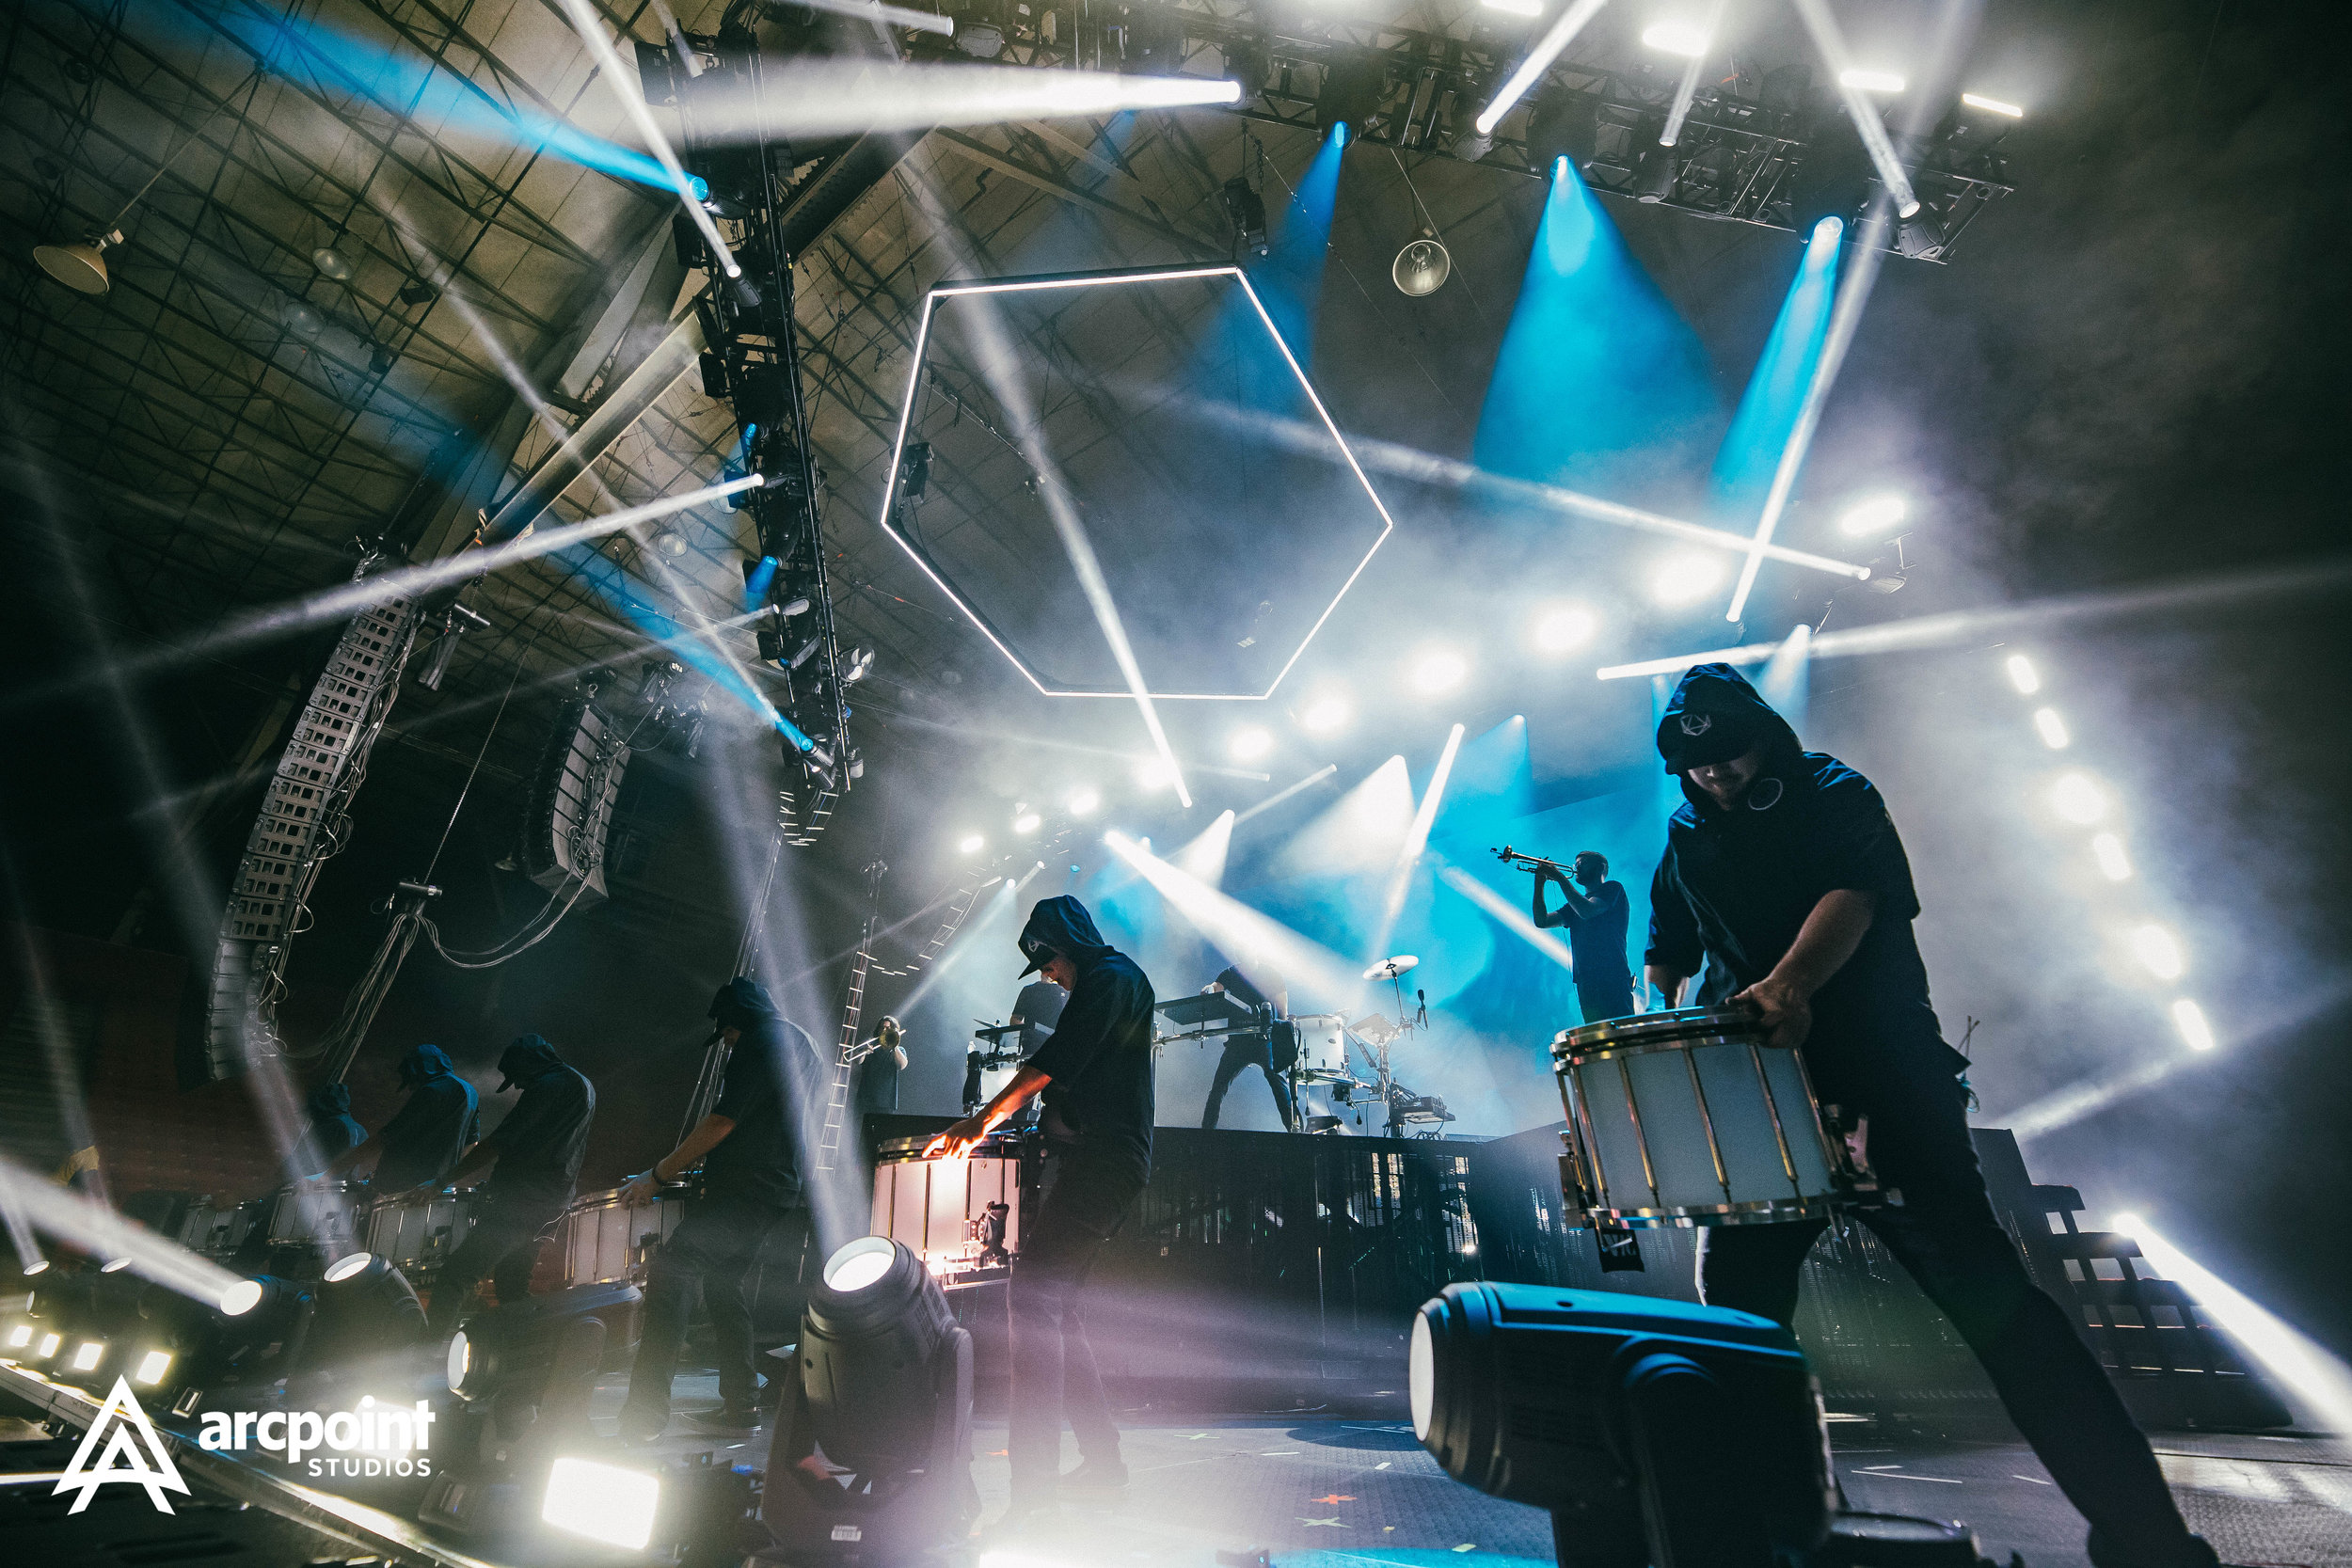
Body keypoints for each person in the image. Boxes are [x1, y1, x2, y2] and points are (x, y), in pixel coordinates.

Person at [1642, 663, 2225, 1568]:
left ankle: (2150, 1542)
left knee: (1993, 1305)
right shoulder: (1684, 831)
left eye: (1730, 756)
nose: (1715, 775)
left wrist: (1791, 985)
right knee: (1741, 1319)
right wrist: (1662, 1023)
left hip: (1880, 1081)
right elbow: (1669, 948)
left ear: (1765, 738)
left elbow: (1856, 895)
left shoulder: (1835, 791)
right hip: (1762, 1101)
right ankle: (1791, 1528)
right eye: (1697, 764)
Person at [928, 896, 1154, 1517]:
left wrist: (978, 1122)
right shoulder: (1116, 980)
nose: (1048, 976)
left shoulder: (1109, 979)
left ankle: (1032, 1492)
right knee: (1058, 1308)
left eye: (1049, 963)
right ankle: (1102, 1464)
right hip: (1104, 1160)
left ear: (1067, 945)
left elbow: (1052, 1065)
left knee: (1030, 1298)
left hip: (1106, 1161)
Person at [618, 978, 818, 1440]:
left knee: (673, 1270)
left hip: (748, 1188)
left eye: (726, 1034)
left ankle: (645, 1414)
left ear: (737, 1020)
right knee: (725, 1284)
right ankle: (742, 1405)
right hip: (778, 1188)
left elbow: (723, 1120)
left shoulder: (760, 1039)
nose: (726, 1044)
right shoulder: (802, 1041)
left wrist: (658, 1175)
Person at [421, 1034, 596, 1338]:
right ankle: (531, 1354)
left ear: (531, 1063)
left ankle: (426, 1356)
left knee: (457, 1273)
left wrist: (441, 1182)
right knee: (513, 1286)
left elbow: (500, 1141)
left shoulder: (547, 1086)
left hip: (519, 1202)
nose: (517, 1086)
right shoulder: (584, 1084)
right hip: (552, 1202)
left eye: (518, 1077)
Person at [326, 1044, 479, 1193]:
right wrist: (445, 1179)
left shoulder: (431, 1091)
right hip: (435, 1189)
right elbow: (471, 1144)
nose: (411, 1088)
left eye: (412, 1080)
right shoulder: (471, 1092)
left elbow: (385, 1137)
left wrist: (331, 1172)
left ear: (421, 1069)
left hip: (405, 1189)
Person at [1533, 850, 1636, 1023]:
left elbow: (1587, 911)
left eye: (1582, 863)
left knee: (1623, 1031)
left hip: (1612, 976)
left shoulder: (1612, 888)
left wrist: (1559, 878)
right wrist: (1539, 883)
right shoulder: (1574, 904)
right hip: (1586, 980)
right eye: (1576, 864)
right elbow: (1542, 921)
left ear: (1600, 868)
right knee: (1597, 1034)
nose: (1576, 867)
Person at [1198, 959, 1294, 1132]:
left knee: (1278, 1084)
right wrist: (1209, 989)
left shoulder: (1272, 973)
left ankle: (1294, 1130)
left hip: (1265, 1039)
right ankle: (1206, 1133)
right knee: (1218, 1088)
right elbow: (1215, 986)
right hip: (1238, 1041)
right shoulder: (1231, 972)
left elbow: (1282, 1010)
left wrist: (1280, 1035)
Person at [285, 1082, 368, 1182]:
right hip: (337, 1188)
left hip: (316, 1189)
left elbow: (299, 1165)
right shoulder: (359, 1129)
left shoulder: (332, 1127)